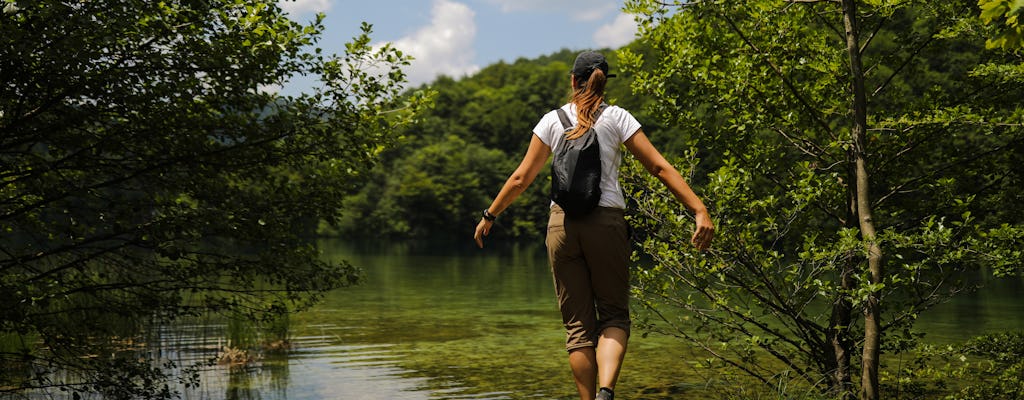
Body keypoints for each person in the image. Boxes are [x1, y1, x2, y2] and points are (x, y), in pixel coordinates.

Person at [473, 51, 714, 400]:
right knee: (614, 316)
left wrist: (489, 215)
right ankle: (606, 392)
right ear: (603, 81)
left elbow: (521, 178)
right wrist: (699, 209)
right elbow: (659, 167)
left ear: (573, 80)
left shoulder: (552, 121)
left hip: (562, 227)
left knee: (577, 329)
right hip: (606, 223)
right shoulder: (617, 118)